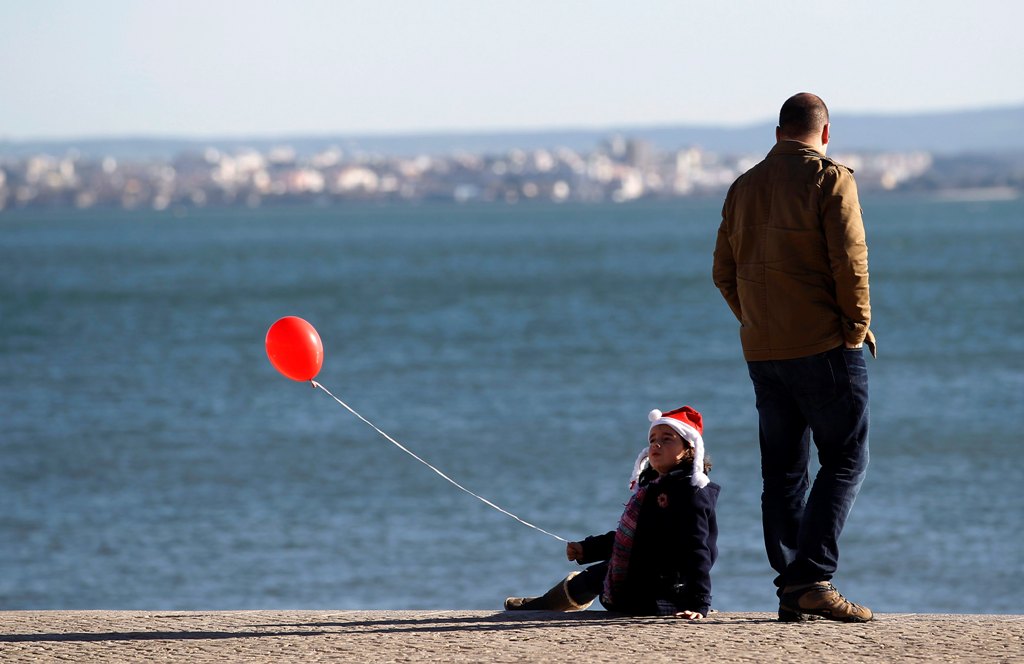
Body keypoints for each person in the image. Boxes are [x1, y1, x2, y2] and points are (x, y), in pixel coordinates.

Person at [712, 93, 875, 622]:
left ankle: (791, 586)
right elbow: (850, 260)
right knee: (846, 457)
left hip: (763, 351)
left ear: (779, 131)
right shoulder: (831, 179)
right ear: (825, 132)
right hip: (823, 345)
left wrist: (755, 320)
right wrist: (856, 327)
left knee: (782, 473)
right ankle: (811, 578)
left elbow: (723, 272)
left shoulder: (743, 186)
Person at [504, 406, 720, 619]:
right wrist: (587, 549)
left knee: (607, 572)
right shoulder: (653, 488)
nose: (656, 444)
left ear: (690, 448)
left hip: (666, 593)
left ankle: (548, 603)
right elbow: (631, 540)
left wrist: (699, 604)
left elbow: (698, 550)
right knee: (601, 572)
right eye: (652, 439)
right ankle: (549, 602)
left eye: (667, 439)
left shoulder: (690, 493)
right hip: (642, 582)